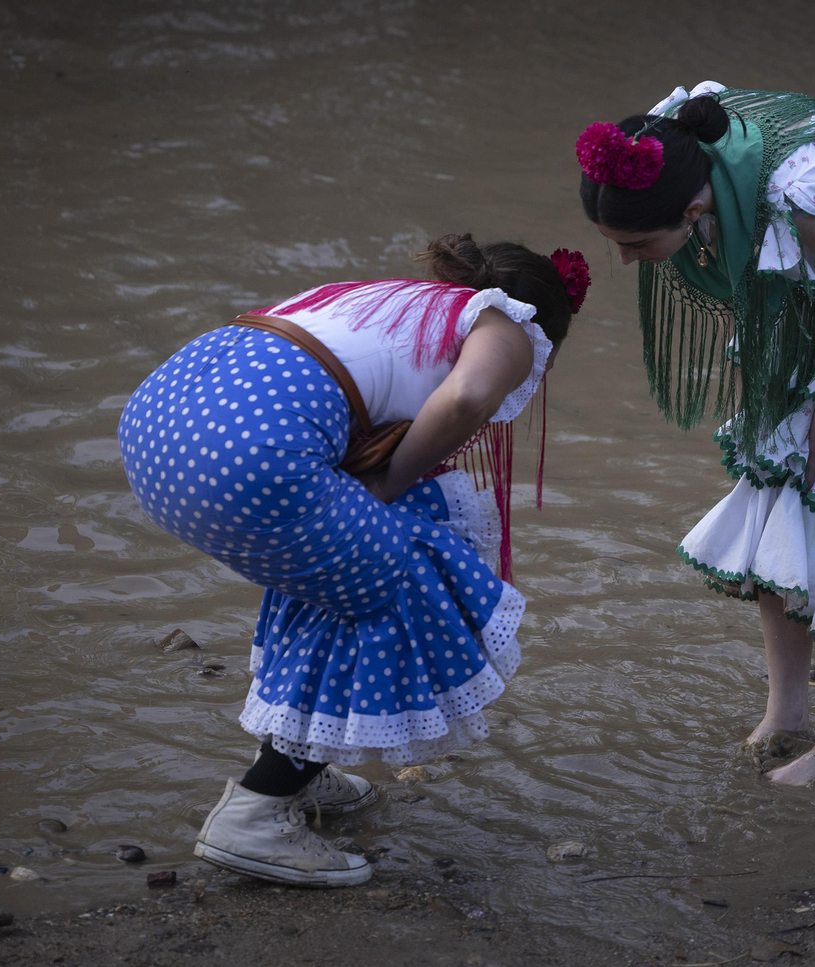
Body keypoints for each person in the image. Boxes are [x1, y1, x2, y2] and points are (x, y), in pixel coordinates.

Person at [118, 234, 589, 885]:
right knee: (400, 584)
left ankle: (299, 769)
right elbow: (466, 398)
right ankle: (256, 813)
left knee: (345, 571)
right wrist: (390, 482)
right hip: (248, 452)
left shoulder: (390, 300)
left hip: (158, 426)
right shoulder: (509, 323)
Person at [577, 82, 815, 786]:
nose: (627, 261)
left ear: (693, 212)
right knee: (772, 470)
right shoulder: (669, 148)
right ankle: (787, 714)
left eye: (634, 245)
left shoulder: (797, 192)